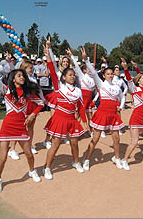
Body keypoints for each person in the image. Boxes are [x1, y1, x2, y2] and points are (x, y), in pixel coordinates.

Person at [0, 49, 44, 192]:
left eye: (23, 75)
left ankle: (32, 171)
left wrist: (33, 115)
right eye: (19, 75)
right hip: (7, 127)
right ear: (13, 79)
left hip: (21, 126)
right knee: (3, 157)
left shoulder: (28, 92)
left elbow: (41, 104)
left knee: (29, 154)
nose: (22, 77)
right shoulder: (6, 90)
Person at [42, 39, 90, 180]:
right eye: (70, 75)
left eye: (73, 75)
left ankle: (76, 162)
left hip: (71, 119)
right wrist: (48, 53)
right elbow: (52, 68)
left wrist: (85, 122)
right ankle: (47, 167)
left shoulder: (78, 91)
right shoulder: (59, 86)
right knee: (56, 144)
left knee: (74, 142)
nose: (72, 76)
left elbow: (81, 108)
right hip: (59, 118)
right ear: (64, 77)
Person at [81, 47, 125, 171]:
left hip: (113, 115)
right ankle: (87, 159)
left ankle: (116, 158)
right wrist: (85, 60)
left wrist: (120, 106)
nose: (110, 75)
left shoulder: (117, 87)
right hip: (102, 114)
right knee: (95, 138)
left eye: (112, 74)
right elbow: (94, 73)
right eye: (108, 74)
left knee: (116, 138)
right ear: (104, 75)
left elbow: (122, 97)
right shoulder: (101, 84)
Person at [66, 48, 96, 135]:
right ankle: (72, 130)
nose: (90, 69)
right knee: (78, 116)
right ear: (85, 70)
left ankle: (91, 131)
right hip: (82, 99)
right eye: (88, 68)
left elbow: (98, 90)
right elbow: (76, 65)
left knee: (90, 116)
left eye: (92, 68)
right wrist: (71, 55)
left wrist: (94, 99)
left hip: (89, 99)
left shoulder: (94, 79)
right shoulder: (82, 76)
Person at [112, 65, 128, 135]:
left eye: (118, 70)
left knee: (118, 113)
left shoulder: (121, 80)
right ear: (113, 72)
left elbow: (126, 87)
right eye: (116, 70)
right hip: (111, 99)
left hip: (118, 99)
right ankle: (104, 129)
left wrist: (123, 94)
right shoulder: (111, 79)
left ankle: (118, 127)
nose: (118, 71)